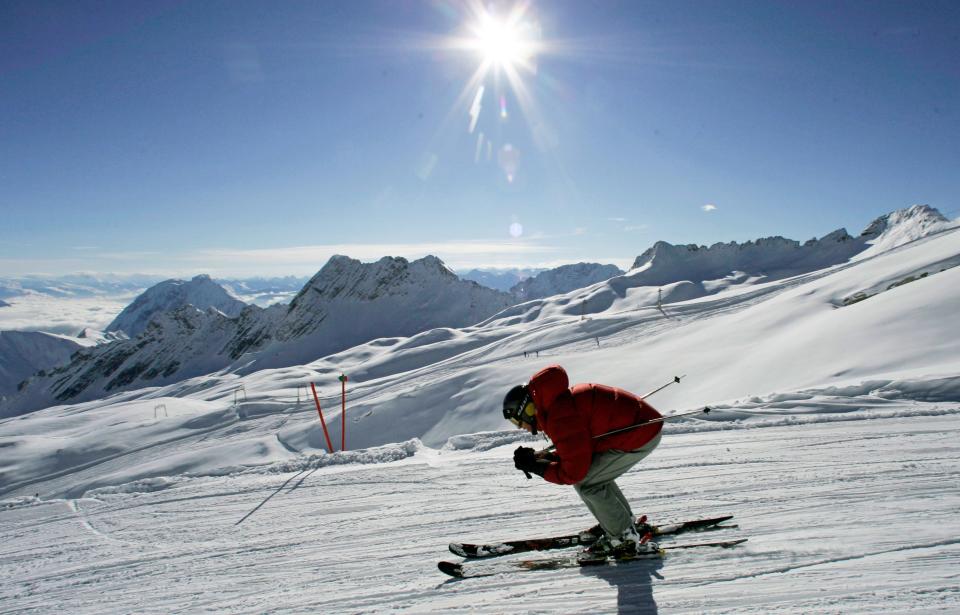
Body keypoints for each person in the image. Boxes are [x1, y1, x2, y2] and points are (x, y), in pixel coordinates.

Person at [503, 364, 663, 561]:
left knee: (588, 483)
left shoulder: (559, 417)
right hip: (641, 428)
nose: (521, 428)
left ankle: (623, 537)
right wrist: (545, 459)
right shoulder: (558, 405)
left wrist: (537, 467)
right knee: (593, 476)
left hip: (639, 435)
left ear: (527, 410)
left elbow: (573, 473)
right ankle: (622, 523)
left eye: (518, 421)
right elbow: (576, 452)